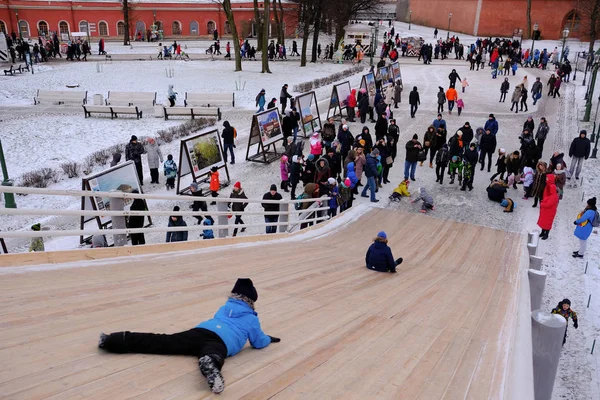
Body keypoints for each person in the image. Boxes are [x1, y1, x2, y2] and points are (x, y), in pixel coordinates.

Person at [98, 278, 280, 394]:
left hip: (199, 331)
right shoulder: (251, 318)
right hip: (222, 341)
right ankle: (210, 364)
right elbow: (258, 342)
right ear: (251, 301)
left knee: (162, 341)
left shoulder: (224, 308)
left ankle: (113, 339)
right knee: (213, 352)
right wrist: (268, 339)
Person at [537, 174, 559, 240]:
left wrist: (542, 203)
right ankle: (543, 232)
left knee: (548, 223)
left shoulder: (553, 195)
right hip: (546, 210)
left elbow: (549, 203)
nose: (546, 179)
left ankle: (546, 234)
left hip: (549, 210)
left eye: (547, 178)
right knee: (544, 222)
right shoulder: (548, 185)